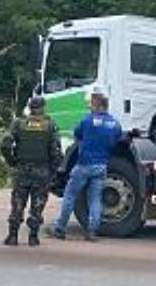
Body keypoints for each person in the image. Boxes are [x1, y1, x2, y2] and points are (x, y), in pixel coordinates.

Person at [51, 88, 121, 241]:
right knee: (95, 199)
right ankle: (92, 231)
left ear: (97, 104)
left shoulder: (87, 121)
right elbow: (116, 140)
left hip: (84, 164)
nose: (90, 107)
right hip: (101, 166)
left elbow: (77, 134)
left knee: (70, 196)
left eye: (92, 104)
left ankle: (60, 228)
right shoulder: (114, 124)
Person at [0, 96, 62, 247]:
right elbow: (56, 151)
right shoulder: (50, 125)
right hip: (42, 170)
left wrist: (12, 161)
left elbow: (5, 143)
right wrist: (53, 170)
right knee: (38, 204)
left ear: (30, 107)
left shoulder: (19, 124)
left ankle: (13, 235)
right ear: (43, 107)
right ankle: (33, 237)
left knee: (18, 202)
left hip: (22, 169)